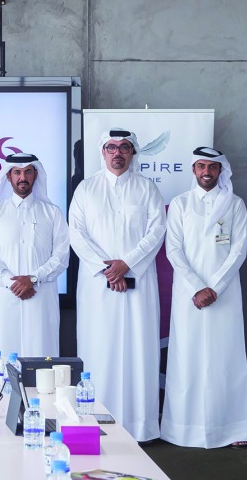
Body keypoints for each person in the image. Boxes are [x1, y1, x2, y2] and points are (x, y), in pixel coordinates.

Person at [68, 129, 166, 442]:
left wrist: (126, 264)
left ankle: (139, 428)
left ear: (133, 153)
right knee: (100, 349)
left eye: (124, 147)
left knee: (138, 350)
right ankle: (94, 425)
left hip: (138, 284)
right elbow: (77, 234)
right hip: (98, 287)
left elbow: (156, 232)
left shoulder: (147, 188)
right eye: (111, 147)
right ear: (103, 152)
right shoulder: (86, 189)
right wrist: (108, 269)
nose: (117, 153)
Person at [160, 147, 247, 449]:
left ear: (221, 170)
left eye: (212, 167)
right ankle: (182, 429)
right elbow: (173, 250)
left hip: (224, 295)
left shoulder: (235, 204)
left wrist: (215, 287)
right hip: (188, 295)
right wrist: (197, 287)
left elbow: (239, 250)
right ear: (193, 170)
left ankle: (233, 428)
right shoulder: (181, 205)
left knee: (225, 358)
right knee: (187, 358)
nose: (206, 172)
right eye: (201, 167)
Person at [0, 152, 69, 357]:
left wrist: (34, 278)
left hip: (40, 299)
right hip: (3, 299)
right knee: (2, 362)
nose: (22, 177)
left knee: (42, 361)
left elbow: (61, 256)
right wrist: (13, 283)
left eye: (28, 172)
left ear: (35, 175)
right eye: (17, 172)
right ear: (8, 177)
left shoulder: (52, 213)